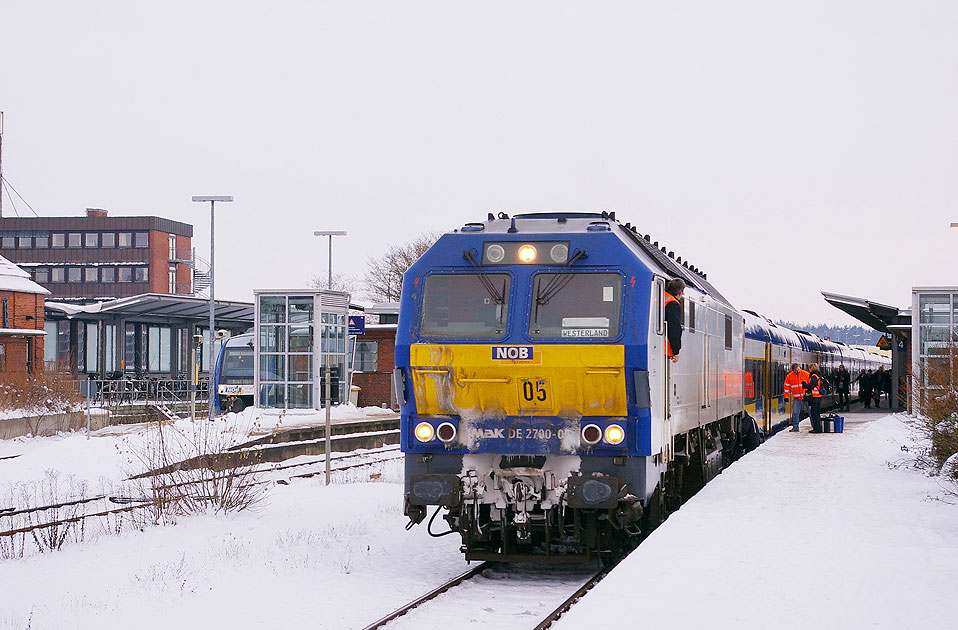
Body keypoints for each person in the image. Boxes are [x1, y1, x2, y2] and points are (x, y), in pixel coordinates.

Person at [664, 278, 685, 363]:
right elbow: (674, 328)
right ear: (680, 293)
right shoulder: (672, 303)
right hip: (664, 347)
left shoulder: (661, 296)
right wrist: (676, 351)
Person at [784, 363, 809, 432]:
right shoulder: (789, 376)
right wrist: (786, 396)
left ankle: (815, 426)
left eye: (798, 369)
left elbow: (811, 383)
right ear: (793, 370)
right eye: (796, 370)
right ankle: (795, 427)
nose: (798, 371)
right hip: (797, 397)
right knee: (795, 412)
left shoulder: (805, 374)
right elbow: (786, 387)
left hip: (806, 396)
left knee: (811, 411)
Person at [804, 363, 825, 433]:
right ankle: (818, 428)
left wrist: (805, 385)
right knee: (817, 412)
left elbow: (811, 386)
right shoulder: (818, 375)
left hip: (815, 397)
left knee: (814, 413)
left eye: (809, 368)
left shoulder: (814, 376)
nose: (809, 370)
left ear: (811, 368)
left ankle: (817, 428)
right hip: (818, 397)